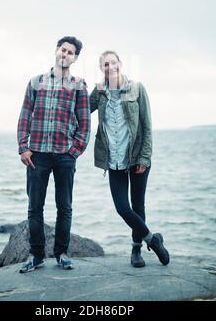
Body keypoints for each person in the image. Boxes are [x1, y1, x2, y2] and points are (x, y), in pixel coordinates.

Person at [90, 50, 169, 268]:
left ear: (120, 64)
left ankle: (136, 252)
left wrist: (145, 156)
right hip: (114, 160)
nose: (110, 67)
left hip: (136, 159)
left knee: (138, 205)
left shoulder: (137, 88)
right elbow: (80, 111)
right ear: (101, 69)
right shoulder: (99, 92)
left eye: (113, 62)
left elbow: (147, 125)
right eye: (105, 64)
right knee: (123, 208)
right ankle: (153, 240)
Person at [17, 36, 91, 272]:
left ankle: (61, 253)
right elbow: (24, 115)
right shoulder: (36, 82)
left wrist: (74, 151)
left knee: (64, 207)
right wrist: (23, 146)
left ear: (75, 58)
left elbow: (85, 122)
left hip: (64, 156)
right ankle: (36, 255)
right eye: (62, 50)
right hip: (36, 154)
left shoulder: (78, 85)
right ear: (56, 51)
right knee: (34, 207)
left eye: (70, 52)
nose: (65, 54)